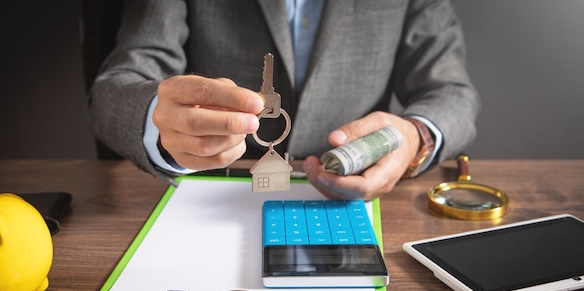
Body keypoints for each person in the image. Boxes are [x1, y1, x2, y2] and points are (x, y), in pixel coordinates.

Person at [88, 0, 480, 200]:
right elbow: (114, 88)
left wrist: (413, 135)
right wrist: (162, 122)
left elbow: (451, 93)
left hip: (350, 189)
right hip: (210, 188)